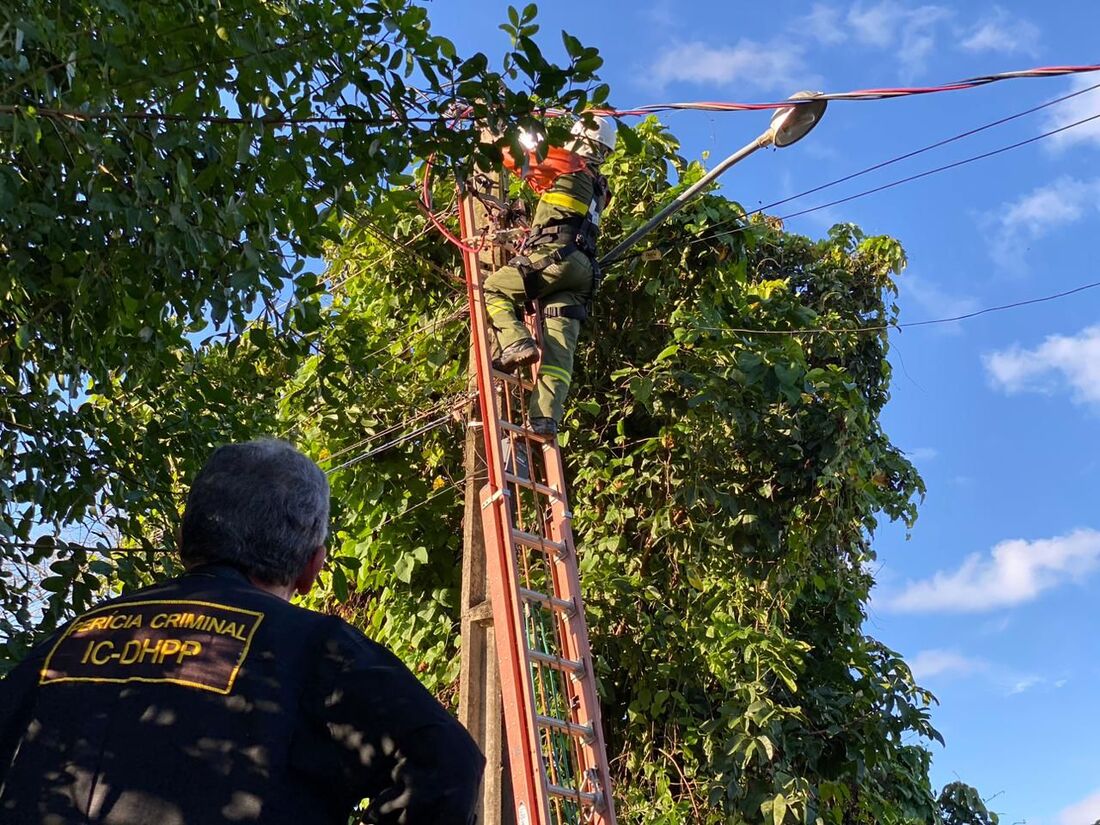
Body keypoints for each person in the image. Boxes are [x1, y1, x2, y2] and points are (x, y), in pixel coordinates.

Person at [0, 439, 484, 824]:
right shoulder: (318, 651)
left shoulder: (71, 640)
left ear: (183, 540)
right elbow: (448, 763)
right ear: (312, 566)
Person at [483, 115, 616, 437]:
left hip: (554, 259)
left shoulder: (567, 161)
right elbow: (543, 182)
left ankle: (516, 342)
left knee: (494, 288)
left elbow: (514, 155)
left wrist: (492, 124)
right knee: (559, 349)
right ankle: (545, 418)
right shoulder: (601, 189)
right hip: (583, 273)